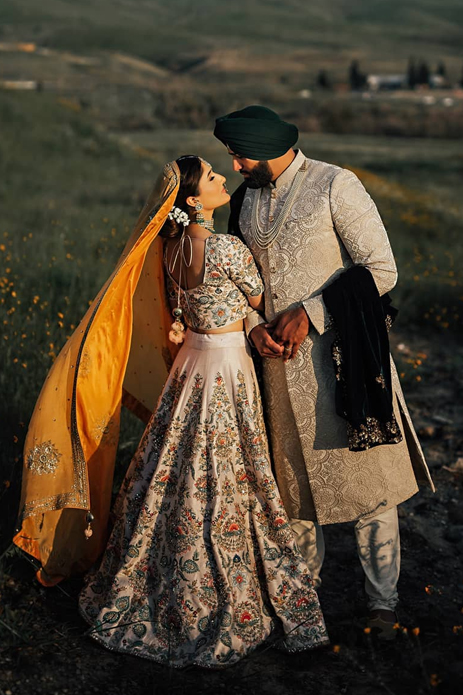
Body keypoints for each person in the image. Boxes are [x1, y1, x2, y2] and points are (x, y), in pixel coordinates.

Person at [14, 156, 328, 668]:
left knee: (170, 466)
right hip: (226, 371)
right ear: (191, 200)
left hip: (189, 369)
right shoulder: (227, 247)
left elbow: (187, 309)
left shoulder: (171, 249)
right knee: (226, 469)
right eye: (210, 178)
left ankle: (148, 571)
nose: (223, 178)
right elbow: (257, 297)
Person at [214, 106, 434, 640]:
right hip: (274, 371)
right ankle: (302, 596)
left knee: (369, 489)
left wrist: (309, 313)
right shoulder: (243, 201)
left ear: (266, 147)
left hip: (343, 362)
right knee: (292, 491)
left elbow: (381, 270)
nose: (236, 165)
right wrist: (250, 327)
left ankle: (382, 605)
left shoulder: (337, 184)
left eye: (240, 153)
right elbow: (238, 278)